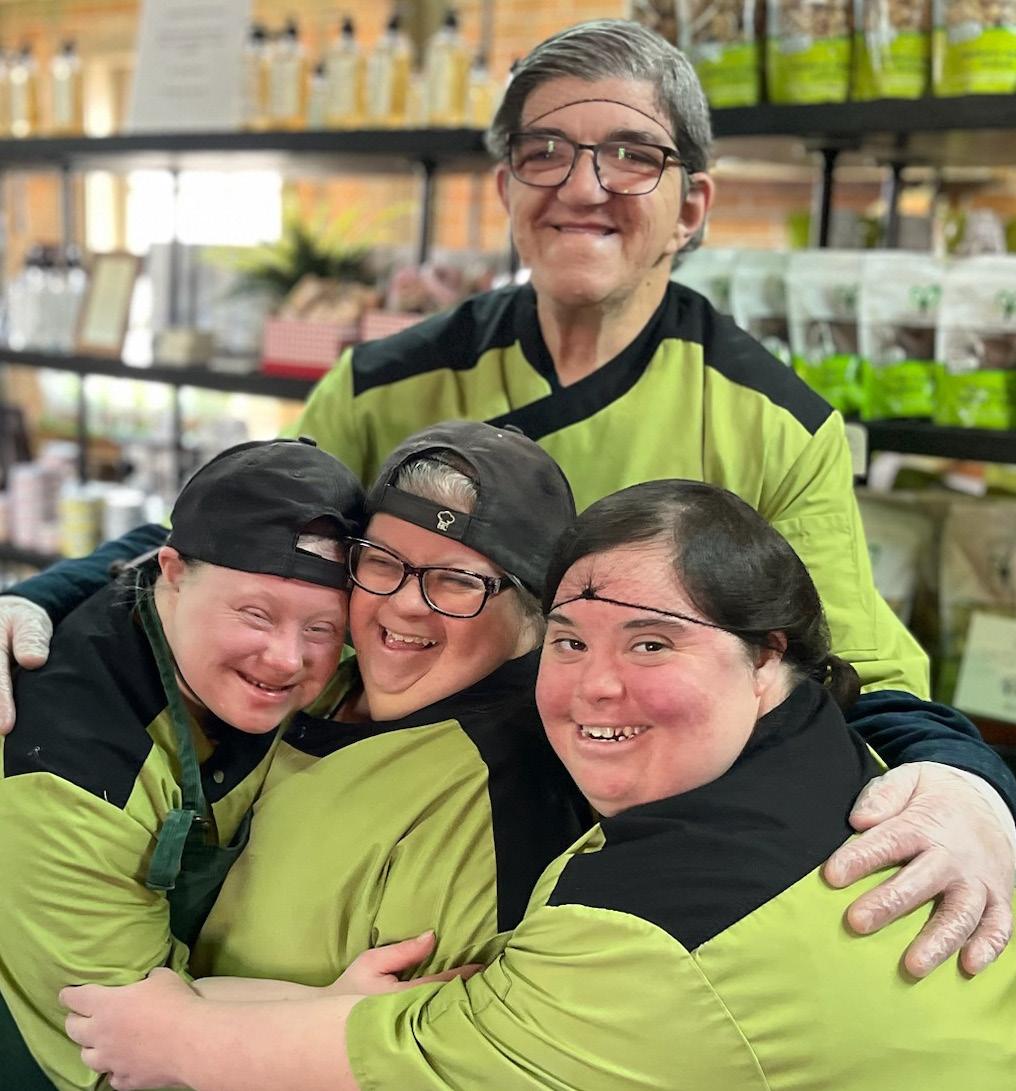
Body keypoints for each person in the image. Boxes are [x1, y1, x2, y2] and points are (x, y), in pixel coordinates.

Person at [3, 17, 1014, 976]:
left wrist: (967, 784)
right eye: (545, 152)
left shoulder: (770, 423)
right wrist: (36, 600)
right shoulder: (386, 383)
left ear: (692, 206)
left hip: (634, 829)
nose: (583, 184)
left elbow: (858, 665)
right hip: (395, 807)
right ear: (506, 187)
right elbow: (235, 535)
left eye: (631, 154)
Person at [61, 480, 1016, 1091]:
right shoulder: (848, 762)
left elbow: (430, 1052)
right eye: (572, 640)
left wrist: (175, 1038)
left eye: (652, 643)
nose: (596, 684)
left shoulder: (655, 922)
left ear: (768, 659)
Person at [0, 437, 365, 1091]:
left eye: (322, 628)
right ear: (173, 572)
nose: (288, 659)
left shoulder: (211, 634)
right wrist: (338, 1017)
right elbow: (127, 1047)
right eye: (255, 614)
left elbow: (145, 537)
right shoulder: (71, 776)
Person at [189, 420, 588, 987]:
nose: (404, 605)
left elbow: (420, 1032)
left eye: (456, 581)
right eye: (381, 560)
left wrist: (178, 1017)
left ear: (533, 614)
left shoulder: (501, 794)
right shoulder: (317, 675)